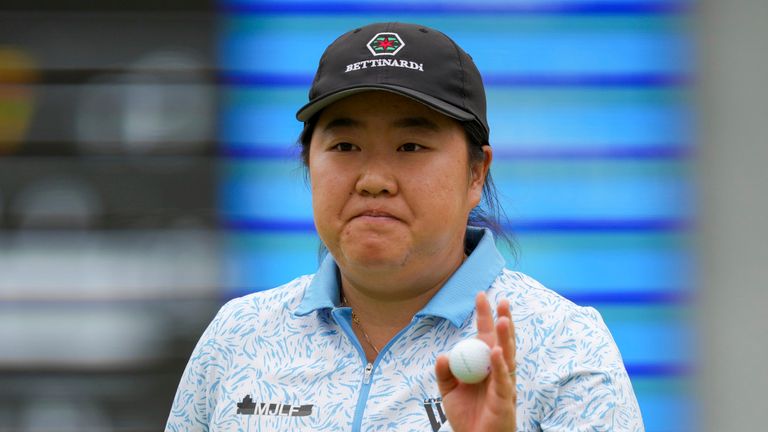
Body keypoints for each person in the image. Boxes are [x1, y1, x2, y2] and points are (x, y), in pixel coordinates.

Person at [166, 22, 644, 431]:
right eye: (345, 146)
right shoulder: (239, 335)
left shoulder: (565, 345)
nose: (374, 180)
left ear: (476, 173)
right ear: (309, 163)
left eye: (411, 147)